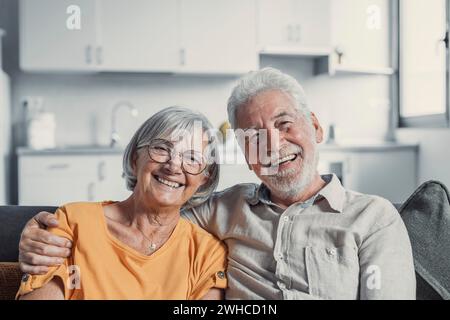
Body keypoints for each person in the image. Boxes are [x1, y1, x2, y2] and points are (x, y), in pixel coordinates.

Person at [18, 68, 416, 300]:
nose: (273, 145)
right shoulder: (223, 210)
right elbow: (149, 211)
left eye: (284, 124)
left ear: (314, 127)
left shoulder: (372, 218)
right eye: (254, 137)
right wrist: (34, 230)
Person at [16, 106, 227, 300]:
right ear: (136, 159)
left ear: (204, 179)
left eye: (192, 158)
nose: (173, 166)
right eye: (162, 149)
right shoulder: (72, 222)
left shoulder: (206, 252)